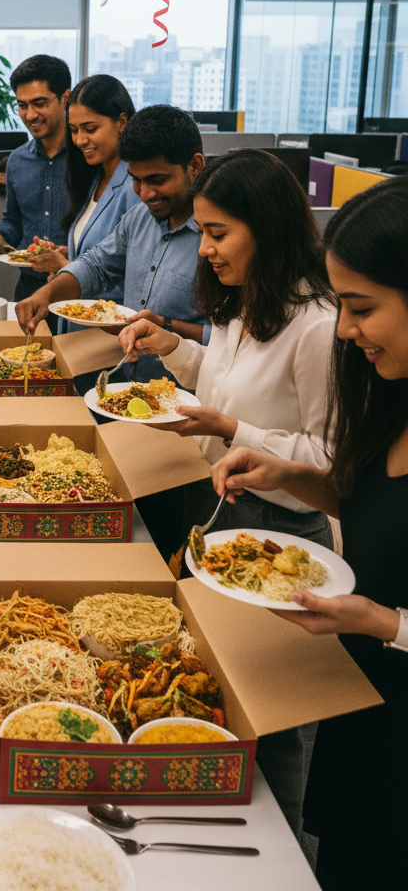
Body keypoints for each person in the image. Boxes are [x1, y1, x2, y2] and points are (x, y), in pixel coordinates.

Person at [116, 148, 339, 841]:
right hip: (214, 512)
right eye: (204, 232)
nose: (204, 248)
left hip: (280, 541)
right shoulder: (243, 300)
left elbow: (332, 464)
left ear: (266, 228)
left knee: (277, 729)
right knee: (217, 697)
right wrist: (173, 351)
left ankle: (286, 859)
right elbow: (221, 378)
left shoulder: (319, 325)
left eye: (218, 233)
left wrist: (233, 427)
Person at [210, 176, 408, 888]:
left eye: (361, 309)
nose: (346, 330)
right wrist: (287, 474)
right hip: (359, 705)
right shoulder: (388, 398)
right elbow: (360, 502)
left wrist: (383, 622)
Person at [17, 104, 210, 386]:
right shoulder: (139, 218)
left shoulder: (218, 236)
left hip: (187, 400)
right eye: (136, 180)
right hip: (125, 384)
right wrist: (46, 295)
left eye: (157, 180)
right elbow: (96, 265)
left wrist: (166, 326)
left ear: (194, 166)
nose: (145, 194)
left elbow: (235, 338)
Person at [0, 54, 72, 301]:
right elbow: (12, 223)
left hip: (79, 288)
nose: (30, 115)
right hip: (29, 288)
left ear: (65, 98)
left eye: (40, 103)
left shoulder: (88, 157)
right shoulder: (18, 160)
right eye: (22, 105)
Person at [30, 74, 142, 300]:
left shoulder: (136, 187)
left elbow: (139, 280)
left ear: (121, 123)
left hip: (109, 330)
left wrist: (66, 266)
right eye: (74, 129)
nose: (80, 140)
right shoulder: (95, 178)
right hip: (79, 327)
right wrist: (69, 253)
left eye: (90, 129)